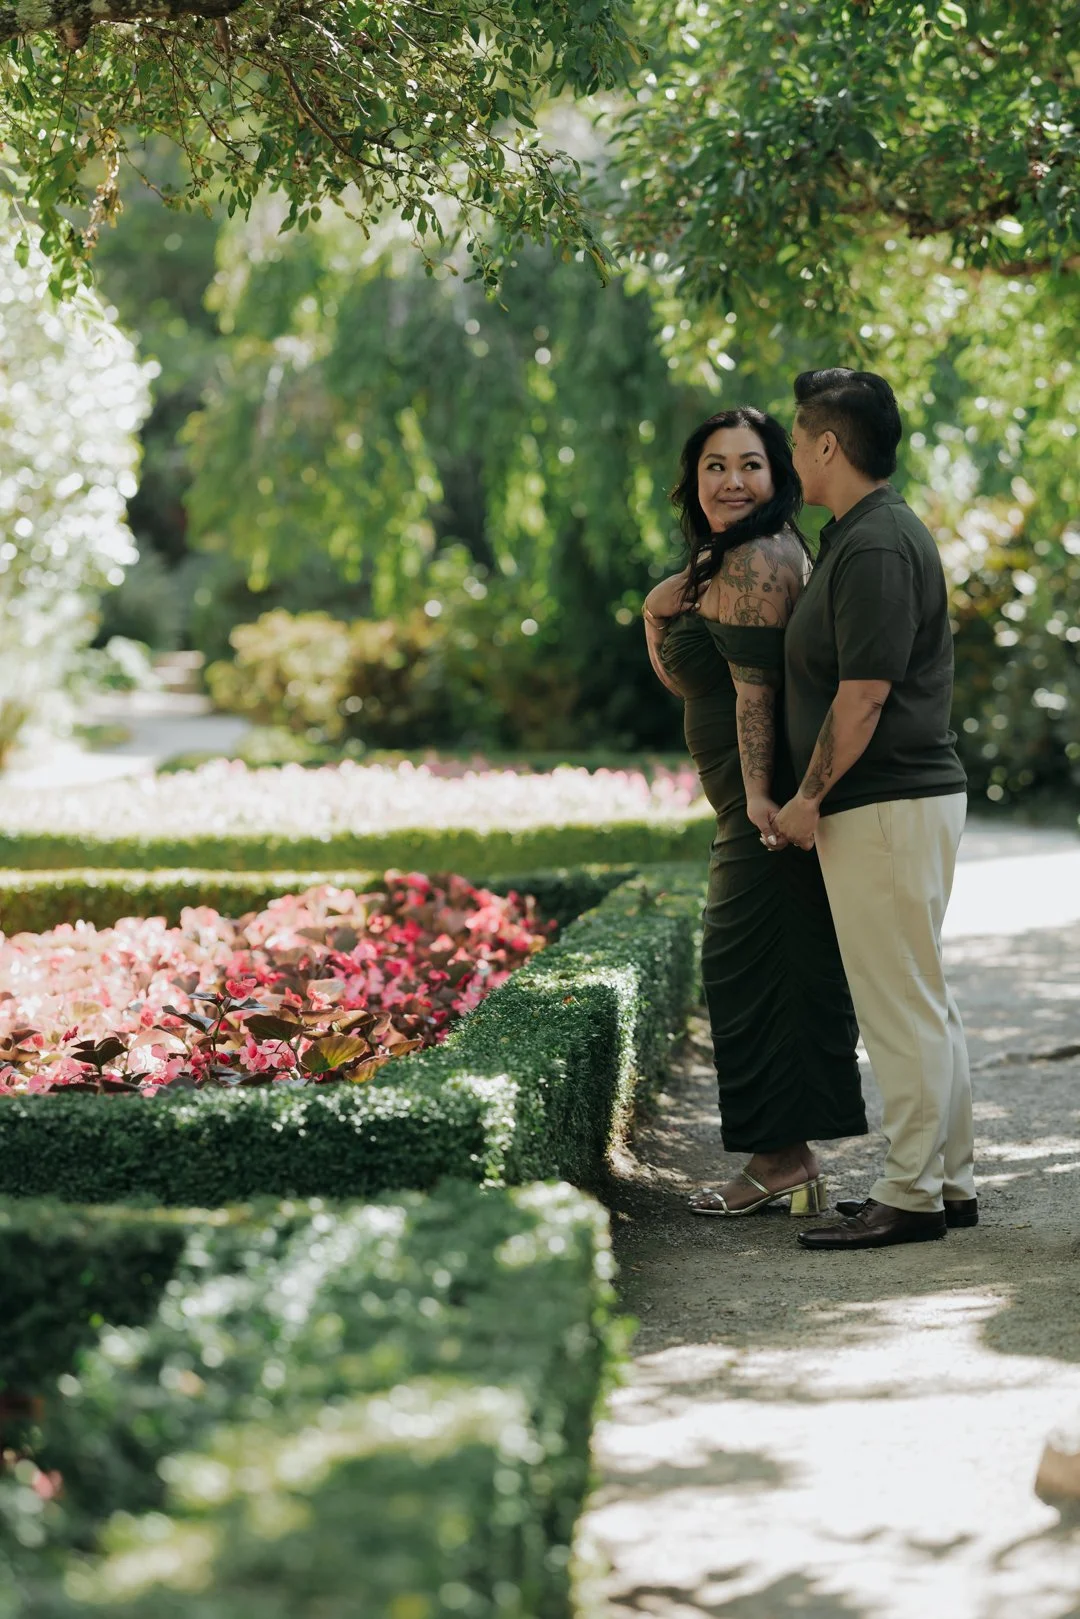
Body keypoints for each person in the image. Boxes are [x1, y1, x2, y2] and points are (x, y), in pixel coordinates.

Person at [643, 407, 866, 1216]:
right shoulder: (724, 561)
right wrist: (654, 609)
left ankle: (783, 1159)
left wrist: (764, 798)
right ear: (691, 478)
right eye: (714, 466)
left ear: (779, 476)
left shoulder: (757, 561)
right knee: (756, 970)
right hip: (746, 804)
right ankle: (786, 1159)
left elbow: (753, 696)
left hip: (759, 809)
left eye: (751, 465)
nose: (731, 481)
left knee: (756, 969)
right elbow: (688, 677)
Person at [774, 368, 975, 1252]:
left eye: (793, 436)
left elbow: (862, 697)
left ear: (827, 445)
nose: (787, 453)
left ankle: (912, 1193)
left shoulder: (877, 544)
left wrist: (808, 797)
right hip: (895, 803)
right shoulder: (858, 536)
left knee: (897, 1004)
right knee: (921, 998)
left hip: (884, 803)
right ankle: (947, 1183)